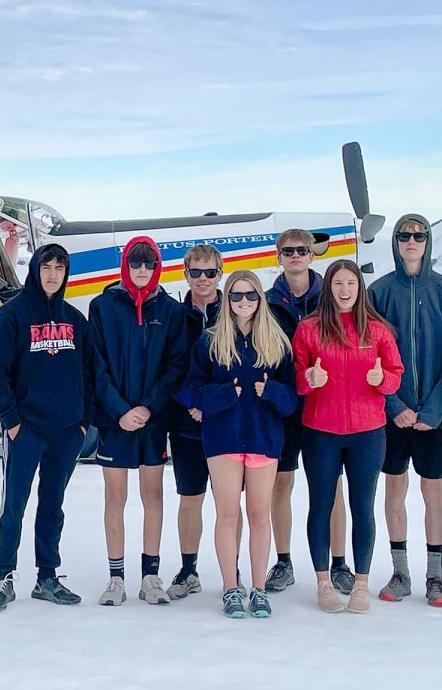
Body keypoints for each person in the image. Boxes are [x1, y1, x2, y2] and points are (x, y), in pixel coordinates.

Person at [0, 243, 92, 610]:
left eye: (60, 267)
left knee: (52, 505)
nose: (53, 274)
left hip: (65, 432)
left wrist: (83, 421)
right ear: (36, 269)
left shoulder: (75, 320)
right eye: (47, 266)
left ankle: (47, 576)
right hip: (26, 429)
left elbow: (90, 374)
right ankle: (4, 577)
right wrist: (11, 421)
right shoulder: (12, 315)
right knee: (14, 504)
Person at [293, 259, 403, 613]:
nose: (344, 291)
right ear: (328, 289)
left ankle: (361, 583)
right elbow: (295, 376)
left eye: (351, 284)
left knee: (362, 507)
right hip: (321, 432)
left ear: (360, 288)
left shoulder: (377, 330)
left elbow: (395, 374)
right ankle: (324, 583)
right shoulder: (309, 329)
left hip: (367, 433)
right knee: (321, 506)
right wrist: (310, 379)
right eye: (338, 284)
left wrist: (381, 381)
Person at [183, 271, 295, 618]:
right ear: (227, 300)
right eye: (236, 296)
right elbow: (191, 389)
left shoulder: (277, 342)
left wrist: (272, 392)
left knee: (260, 515)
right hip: (224, 439)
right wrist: (223, 395)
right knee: (228, 514)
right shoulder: (210, 341)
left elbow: (292, 399)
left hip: (263, 438)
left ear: (260, 299)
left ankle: (259, 589)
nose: (243, 302)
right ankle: (232, 588)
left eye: (250, 295)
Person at [368, 215, 442, 607]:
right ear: (395, 242)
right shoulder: (378, 292)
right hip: (393, 413)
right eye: (404, 236)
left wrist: (436, 407)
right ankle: (400, 570)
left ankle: (436, 576)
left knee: (432, 488)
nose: (411, 241)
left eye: (418, 236)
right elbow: (368, 354)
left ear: (428, 241)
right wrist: (394, 405)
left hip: (434, 414)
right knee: (395, 486)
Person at [89, 235, 189, 606]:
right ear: (126, 266)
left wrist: (148, 408)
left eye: (149, 264)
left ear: (158, 266)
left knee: (152, 496)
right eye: (136, 263)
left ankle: (150, 575)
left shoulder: (171, 311)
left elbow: (175, 365)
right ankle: (116, 578)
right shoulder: (103, 307)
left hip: (153, 421)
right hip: (116, 421)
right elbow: (96, 365)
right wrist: (119, 410)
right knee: (115, 497)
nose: (142, 271)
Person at [265, 229, 352, 595]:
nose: (295, 256)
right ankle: (283, 561)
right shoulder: (266, 301)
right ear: (278, 256)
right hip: (282, 405)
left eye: (302, 250)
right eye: (288, 251)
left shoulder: (330, 297)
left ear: (312, 255)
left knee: (331, 488)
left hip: (323, 405)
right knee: (280, 483)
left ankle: (339, 563)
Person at [168, 244, 228, 600]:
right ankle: (188, 568)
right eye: (195, 273)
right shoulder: (177, 316)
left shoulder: (238, 309)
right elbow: (170, 368)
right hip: (187, 424)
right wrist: (193, 404)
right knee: (190, 497)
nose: (203, 280)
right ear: (186, 274)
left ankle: (231, 571)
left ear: (220, 273)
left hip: (225, 424)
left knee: (228, 503)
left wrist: (214, 405)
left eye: (210, 273)